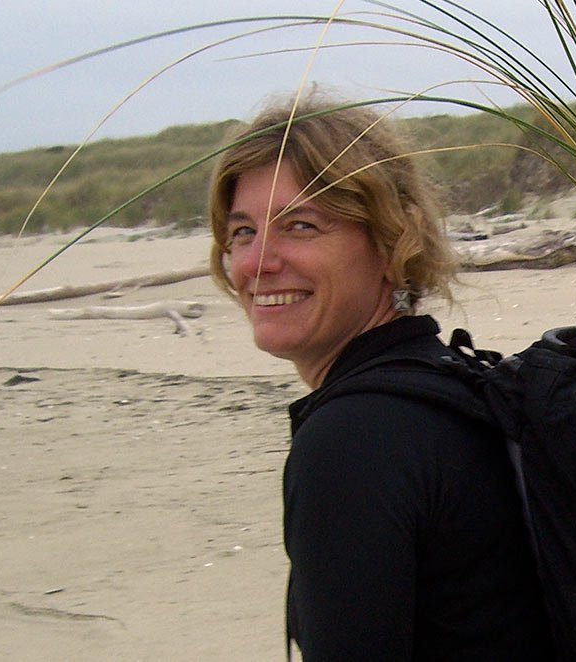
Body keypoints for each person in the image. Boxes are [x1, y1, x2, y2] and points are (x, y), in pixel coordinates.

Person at [208, 96, 553, 660]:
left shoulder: (353, 440)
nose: (257, 263)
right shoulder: (453, 385)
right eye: (243, 232)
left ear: (394, 243)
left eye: (301, 225)